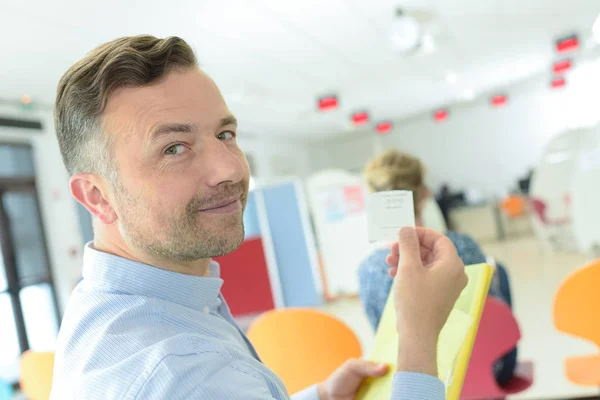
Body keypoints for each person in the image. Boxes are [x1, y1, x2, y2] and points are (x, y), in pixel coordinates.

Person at [50, 35, 468, 400]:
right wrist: (417, 335)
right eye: (174, 148)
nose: (230, 169)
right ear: (97, 196)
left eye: (224, 135)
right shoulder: (183, 373)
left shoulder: (106, 305)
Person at [358, 149, 517, 386]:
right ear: (425, 194)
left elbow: (379, 335)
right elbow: (490, 315)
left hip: (408, 381)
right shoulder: (461, 246)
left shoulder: (367, 269)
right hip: (485, 371)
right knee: (498, 272)